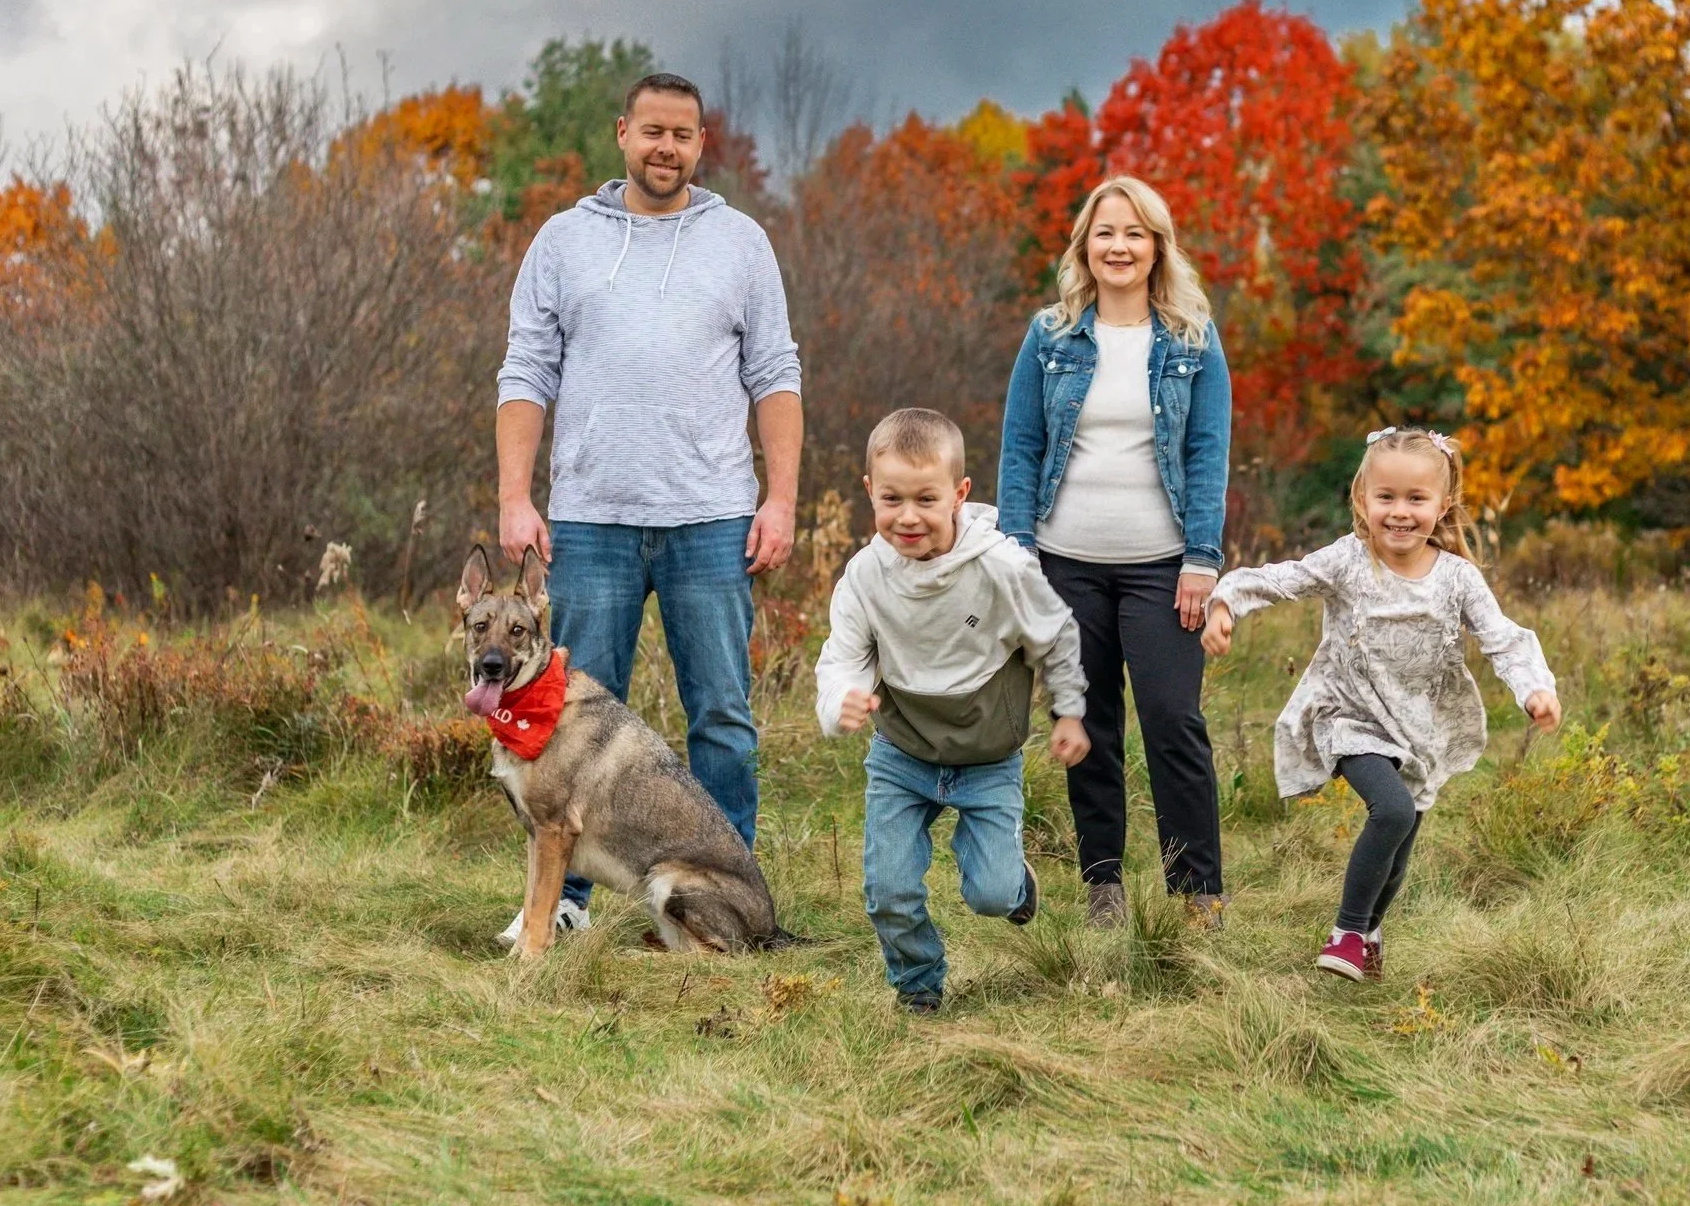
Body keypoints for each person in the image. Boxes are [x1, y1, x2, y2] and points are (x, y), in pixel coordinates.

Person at [492, 70, 802, 943]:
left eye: (685, 134)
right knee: (562, 721)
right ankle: (567, 906)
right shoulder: (562, 241)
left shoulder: (740, 242)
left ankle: (728, 907)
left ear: (703, 144)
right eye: (652, 131)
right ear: (623, 132)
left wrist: (779, 500)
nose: (667, 147)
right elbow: (525, 371)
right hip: (590, 518)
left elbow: (775, 374)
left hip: (713, 519)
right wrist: (517, 497)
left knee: (724, 720)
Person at [1203, 427, 1560, 981]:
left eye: (1416, 499)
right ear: (1362, 500)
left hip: (1419, 726)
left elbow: (1503, 638)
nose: (1399, 512)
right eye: (1386, 498)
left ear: (1443, 506)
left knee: (1402, 840)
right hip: (1348, 714)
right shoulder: (1349, 561)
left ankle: (1369, 931)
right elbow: (1284, 579)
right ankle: (1346, 933)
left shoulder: (1458, 579)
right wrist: (1226, 602)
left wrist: (1534, 688)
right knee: (1390, 811)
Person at [998, 176, 1230, 928]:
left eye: (1135, 233)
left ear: (1156, 245)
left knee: (1173, 721)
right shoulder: (1051, 334)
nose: (1120, 246)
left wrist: (1201, 559)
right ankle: (1104, 889)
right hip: (1065, 563)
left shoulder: (1194, 337)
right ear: (1084, 247)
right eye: (1105, 233)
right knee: (1089, 725)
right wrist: (1017, 555)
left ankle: (1196, 894)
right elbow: (1021, 447)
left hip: (1163, 567)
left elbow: (1207, 451)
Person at [816, 408, 1090, 1012]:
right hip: (902, 754)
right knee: (888, 888)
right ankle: (918, 987)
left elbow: (1056, 635)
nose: (907, 517)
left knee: (991, 895)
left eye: (925, 499)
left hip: (987, 758)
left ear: (960, 494)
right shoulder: (865, 576)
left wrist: (1069, 712)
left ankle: (1013, 883)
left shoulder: (1003, 567)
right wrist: (842, 701)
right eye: (891, 499)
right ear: (870, 491)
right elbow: (840, 659)